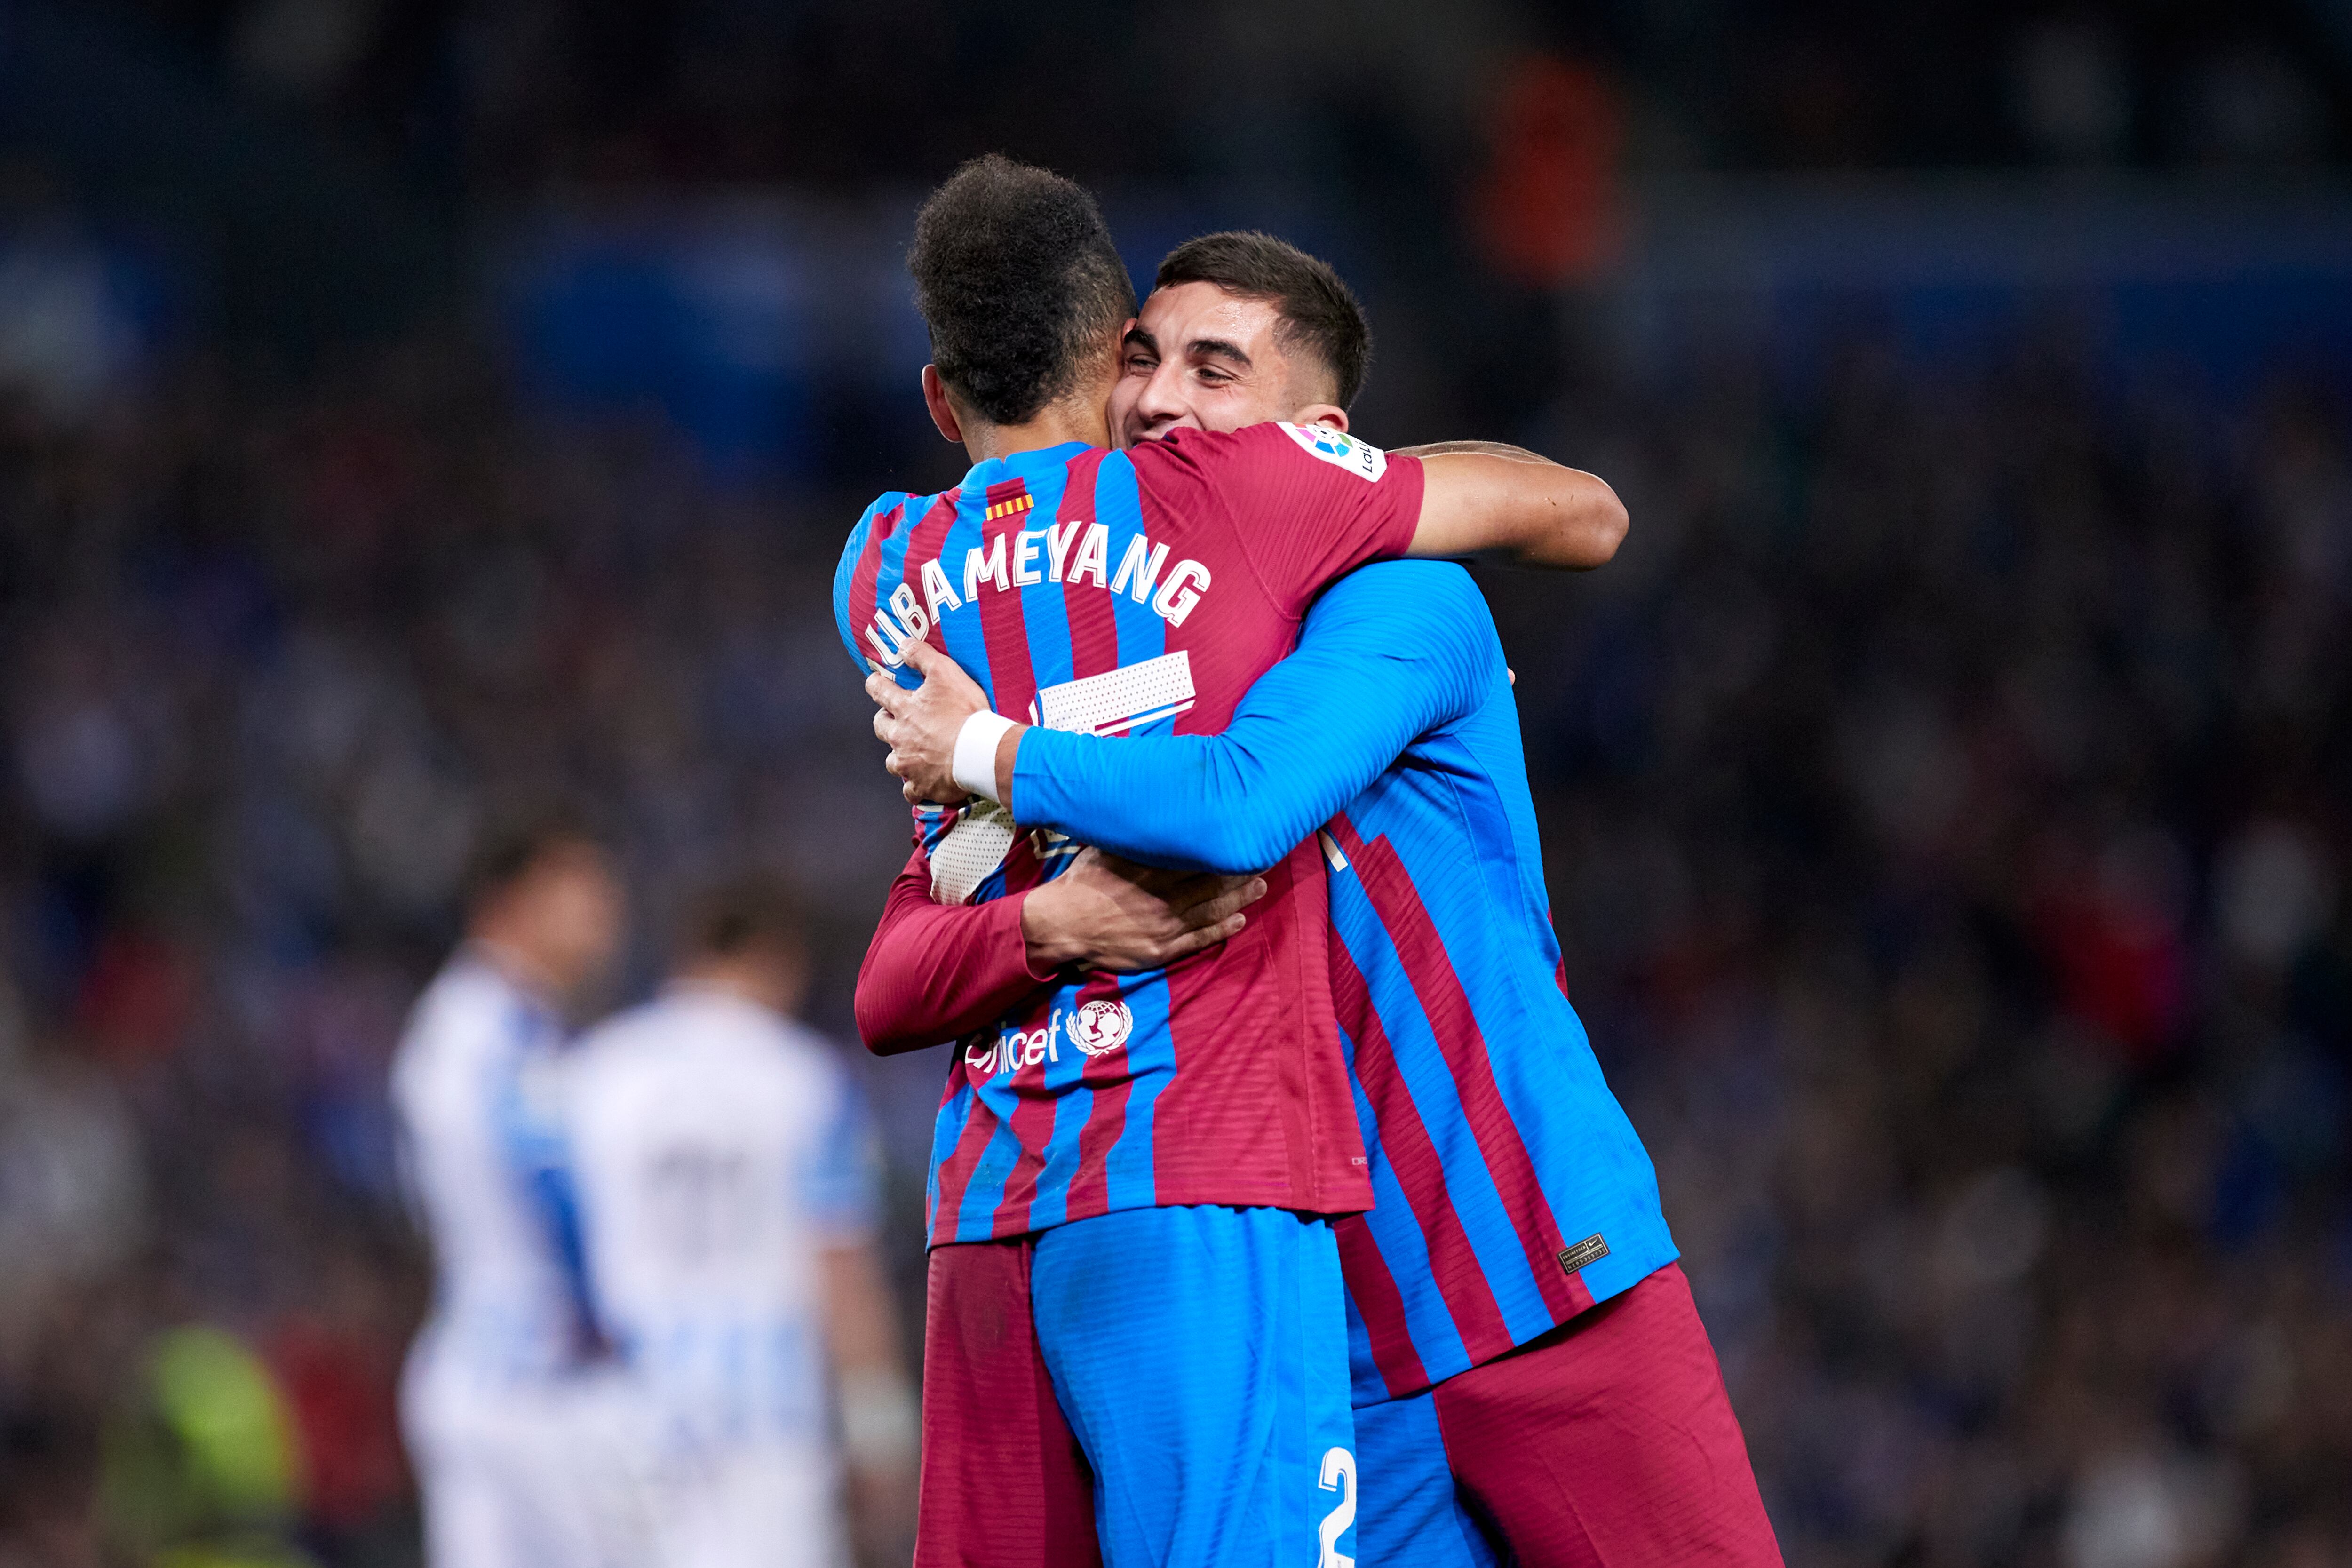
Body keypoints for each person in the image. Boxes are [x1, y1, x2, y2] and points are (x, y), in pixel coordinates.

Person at [861, 232, 1782, 1565]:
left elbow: (1246, 794)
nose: (1161, 400)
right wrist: (1042, 924)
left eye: (1213, 369)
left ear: (1318, 437)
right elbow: (899, 960)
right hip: (1327, 1316)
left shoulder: (1403, 604)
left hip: (1532, 1261)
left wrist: (987, 746)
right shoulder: (1140, 657)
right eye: (1142, 360)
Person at [563, 876, 916, 1568]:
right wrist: (881, 1434)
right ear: (780, 959)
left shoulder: (596, 1073)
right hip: (765, 1410)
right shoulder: (804, 1078)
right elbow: (842, 1266)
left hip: (621, 1401)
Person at [390, 816, 627, 1568]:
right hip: (532, 1386)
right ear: (510, 901)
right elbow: (555, 1191)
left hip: (486, 1362)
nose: (605, 906)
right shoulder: (495, 1031)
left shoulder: (464, 1023)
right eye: (579, 885)